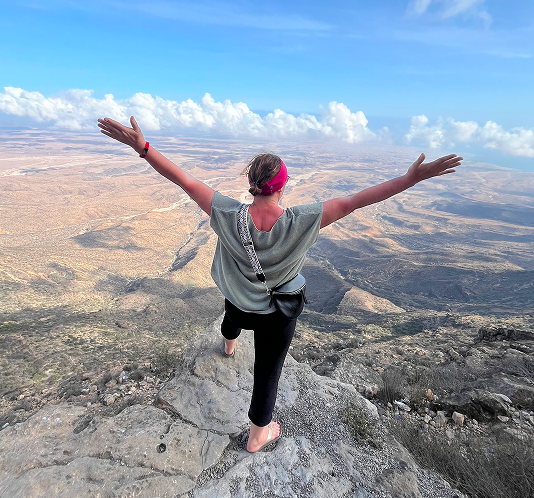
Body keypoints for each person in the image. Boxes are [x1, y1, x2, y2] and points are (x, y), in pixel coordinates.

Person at [97, 115, 462, 453]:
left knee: (232, 314)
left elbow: (184, 179)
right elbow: (357, 200)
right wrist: (411, 178)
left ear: (250, 184)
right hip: (277, 312)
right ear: (283, 185)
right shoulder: (302, 220)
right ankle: (259, 434)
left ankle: (228, 342)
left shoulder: (227, 212)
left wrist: (143, 148)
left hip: (240, 304)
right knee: (268, 370)